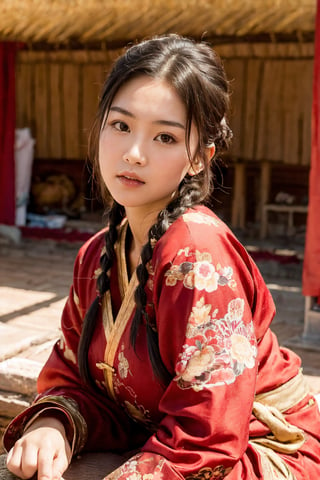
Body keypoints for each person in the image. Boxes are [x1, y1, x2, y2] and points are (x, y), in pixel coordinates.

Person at [2, 34, 320, 480]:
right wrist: (54, 424)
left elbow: (207, 435)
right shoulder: (97, 256)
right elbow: (74, 376)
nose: (134, 153)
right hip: (163, 444)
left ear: (198, 159)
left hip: (255, 451)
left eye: (165, 137)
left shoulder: (197, 259)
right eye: (121, 126)